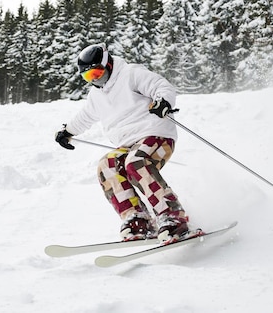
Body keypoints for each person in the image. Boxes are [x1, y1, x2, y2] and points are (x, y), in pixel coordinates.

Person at [54, 43, 199, 244]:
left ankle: (173, 216)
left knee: (135, 163)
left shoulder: (131, 74)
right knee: (107, 165)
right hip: (127, 144)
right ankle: (137, 219)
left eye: (97, 73)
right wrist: (67, 131)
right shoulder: (96, 95)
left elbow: (162, 86)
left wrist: (163, 102)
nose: (95, 80)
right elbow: (85, 117)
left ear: (108, 65)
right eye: (89, 77)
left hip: (156, 134)